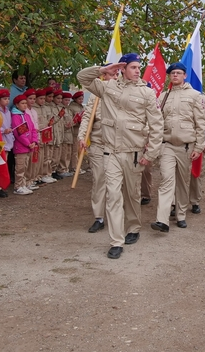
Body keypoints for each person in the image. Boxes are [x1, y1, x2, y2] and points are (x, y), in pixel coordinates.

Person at [77, 54, 163, 259]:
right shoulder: (107, 88)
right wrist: (102, 70)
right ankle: (116, 241)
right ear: (122, 69)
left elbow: (157, 125)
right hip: (111, 152)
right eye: (133, 67)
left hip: (133, 153)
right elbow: (82, 77)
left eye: (138, 67)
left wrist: (150, 153)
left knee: (132, 195)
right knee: (113, 195)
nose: (137, 71)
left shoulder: (147, 92)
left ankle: (133, 227)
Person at [152, 63, 205, 231]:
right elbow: (157, 121)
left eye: (178, 73)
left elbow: (201, 123)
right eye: (172, 73)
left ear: (185, 75)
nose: (175, 75)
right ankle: (162, 220)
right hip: (167, 145)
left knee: (182, 182)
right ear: (169, 76)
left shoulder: (195, 95)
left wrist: (199, 147)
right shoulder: (163, 97)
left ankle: (181, 215)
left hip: (186, 147)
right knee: (166, 180)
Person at [78, 67, 119, 233]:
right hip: (98, 143)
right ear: (103, 76)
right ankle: (99, 217)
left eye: (117, 74)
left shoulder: (122, 93)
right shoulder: (95, 95)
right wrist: (82, 136)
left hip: (116, 145)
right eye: (111, 74)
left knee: (116, 182)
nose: (114, 77)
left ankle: (115, 215)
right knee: (99, 180)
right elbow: (88, 117)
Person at [188, 93, 205, 214]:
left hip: (197, 141)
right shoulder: (171, 95)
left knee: (195, 173)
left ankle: (195, 201)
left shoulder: (204, 99)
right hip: (179, 141)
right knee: (175, 173)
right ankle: (174, 202)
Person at [11, 94, 38, 195]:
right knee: (20, 167)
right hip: (21, 146)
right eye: (22, 103)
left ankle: (24, 184)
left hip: (29, 145)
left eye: (25, 103)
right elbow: (19, 133)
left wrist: (34, 141)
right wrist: (28, 143)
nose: (25, 105)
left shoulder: (27, 115)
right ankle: (18, 186)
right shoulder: (15, 117)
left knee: (26, 166)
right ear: (17, 105)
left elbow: (33, 129)